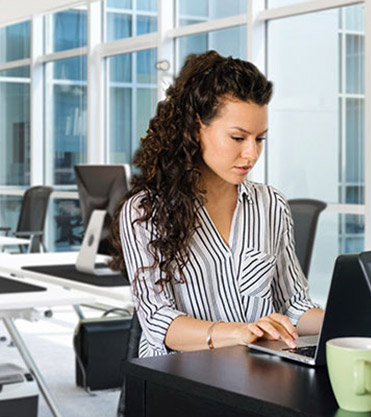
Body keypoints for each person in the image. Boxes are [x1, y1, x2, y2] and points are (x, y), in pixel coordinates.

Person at [110, 51, 323, 358]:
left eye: (260, 139)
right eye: (238, 138)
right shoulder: (145, 212)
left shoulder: (271, 205)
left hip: (257, 374)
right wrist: (238, 332)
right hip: (179, 381)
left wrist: (352, 322)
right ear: (198, 128)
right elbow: (158, 320)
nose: (251, 154)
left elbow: (294, 305)